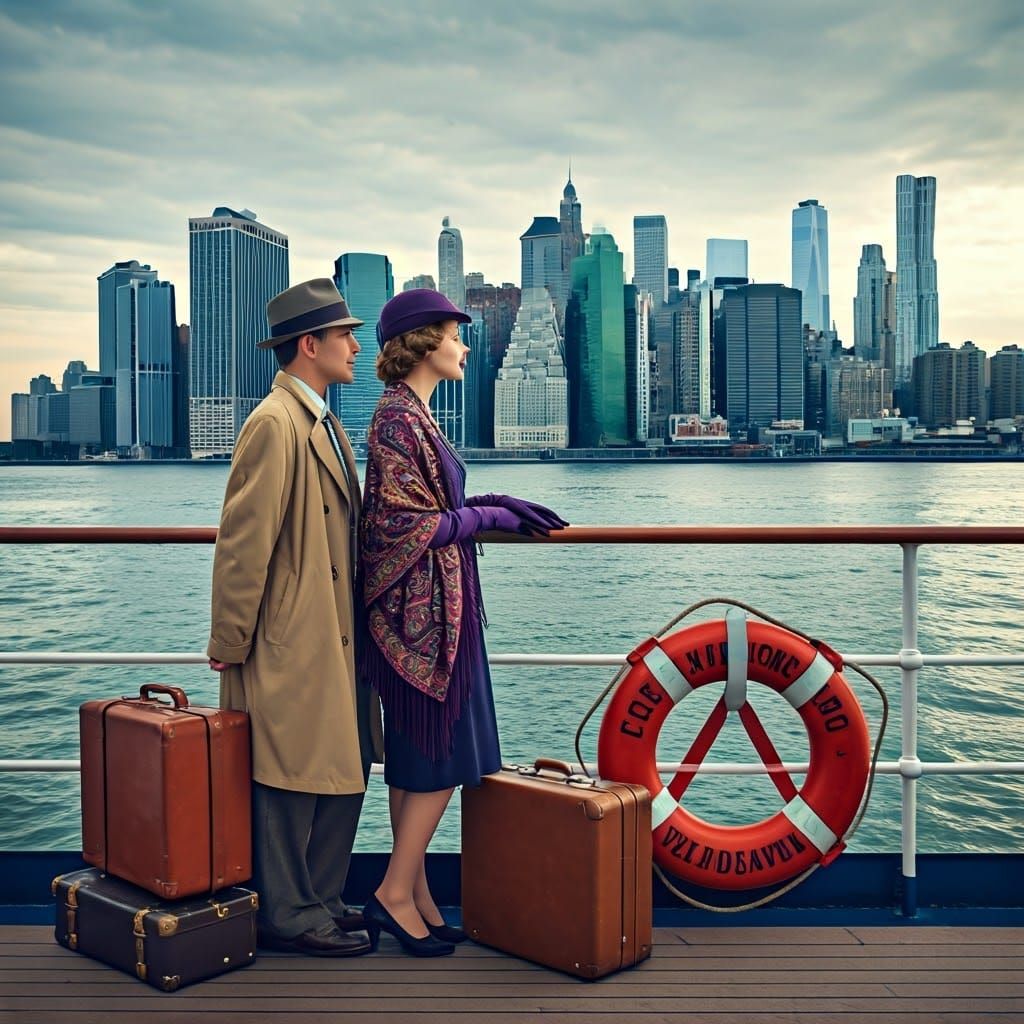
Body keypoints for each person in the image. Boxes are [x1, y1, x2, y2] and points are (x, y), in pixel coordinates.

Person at [359, 289, 568, 957]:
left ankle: (415, 892)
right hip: (422, 623)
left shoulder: (415, 414)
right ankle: (393, 893)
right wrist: (490, 517)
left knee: (423, 759)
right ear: (423, 342)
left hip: (440, 610)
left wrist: (492, 501)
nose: (466, 346)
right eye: (455, 334)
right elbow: (400, 524)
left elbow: (433, 503)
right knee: (439, 757)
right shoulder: (396, 420)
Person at [207, 278, 383, 957]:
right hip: (291, 637)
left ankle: (324, 898)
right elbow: (242, 545)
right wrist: (231, 639)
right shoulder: (273, 424)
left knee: (346, 766)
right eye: (343, 334)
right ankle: (288, 912)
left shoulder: (325, 421)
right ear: (309, 346)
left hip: (334, 633)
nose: (354, 344)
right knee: (288, 779)